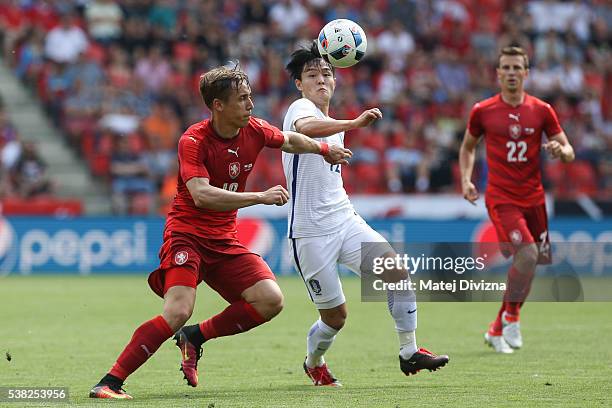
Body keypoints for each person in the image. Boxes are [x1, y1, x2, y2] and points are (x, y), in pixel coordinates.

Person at [89, 65, 352, 399]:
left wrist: (324, 149)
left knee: (270, 300)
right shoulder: (193, 140)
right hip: (187, 235)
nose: (250, 105)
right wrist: (259, 197)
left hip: (224, 240)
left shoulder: (254, 129)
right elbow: (201, 194)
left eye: (250, 97)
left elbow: (288, 140)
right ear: (218, 105)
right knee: (178, 310)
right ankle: (110, 382)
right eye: (242, 99)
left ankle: (195, 337)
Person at [282, 42, 449, 387]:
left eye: (327, 73)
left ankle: (409, 352)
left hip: (344, 220)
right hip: (310, 232)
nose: (321, 80)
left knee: (396, 270)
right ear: (299, 83)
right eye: (312, 75)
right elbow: (304, 129)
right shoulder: (300, 108)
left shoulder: (332, 119)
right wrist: (356, 122)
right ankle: (314, 361)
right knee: (335, 317)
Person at [459, 46, 575, 354]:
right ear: (498, 73)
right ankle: (511, 317)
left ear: (526, 73)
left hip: (535, 199)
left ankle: (497, 328)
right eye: (505, 68)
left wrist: (559, 151)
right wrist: (466, 179)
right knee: (526, 254)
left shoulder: (542, 110)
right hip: (501, 197)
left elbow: (568, 150)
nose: (511, 72)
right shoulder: (483, 110)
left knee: (531, 262)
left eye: (516, 68)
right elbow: (468, 147)